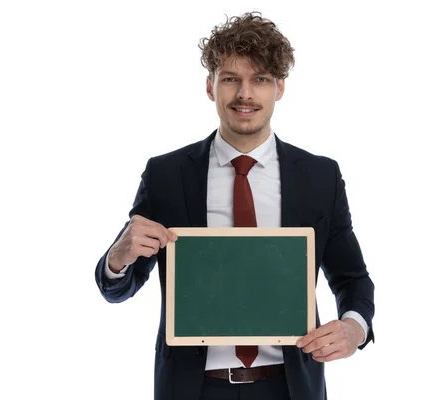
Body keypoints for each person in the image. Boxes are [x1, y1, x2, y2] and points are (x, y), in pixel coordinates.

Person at [95, 11, 375, 400]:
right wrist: (118, 258)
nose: (245, 94)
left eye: (260, 79)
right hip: (194, 389)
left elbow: (352, 279)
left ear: (279, 88)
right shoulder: (166, 174)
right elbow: (117, 288)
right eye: (231, 79)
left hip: (290, 386)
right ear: (210, 87)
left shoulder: (319, 177)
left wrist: (354, 328)